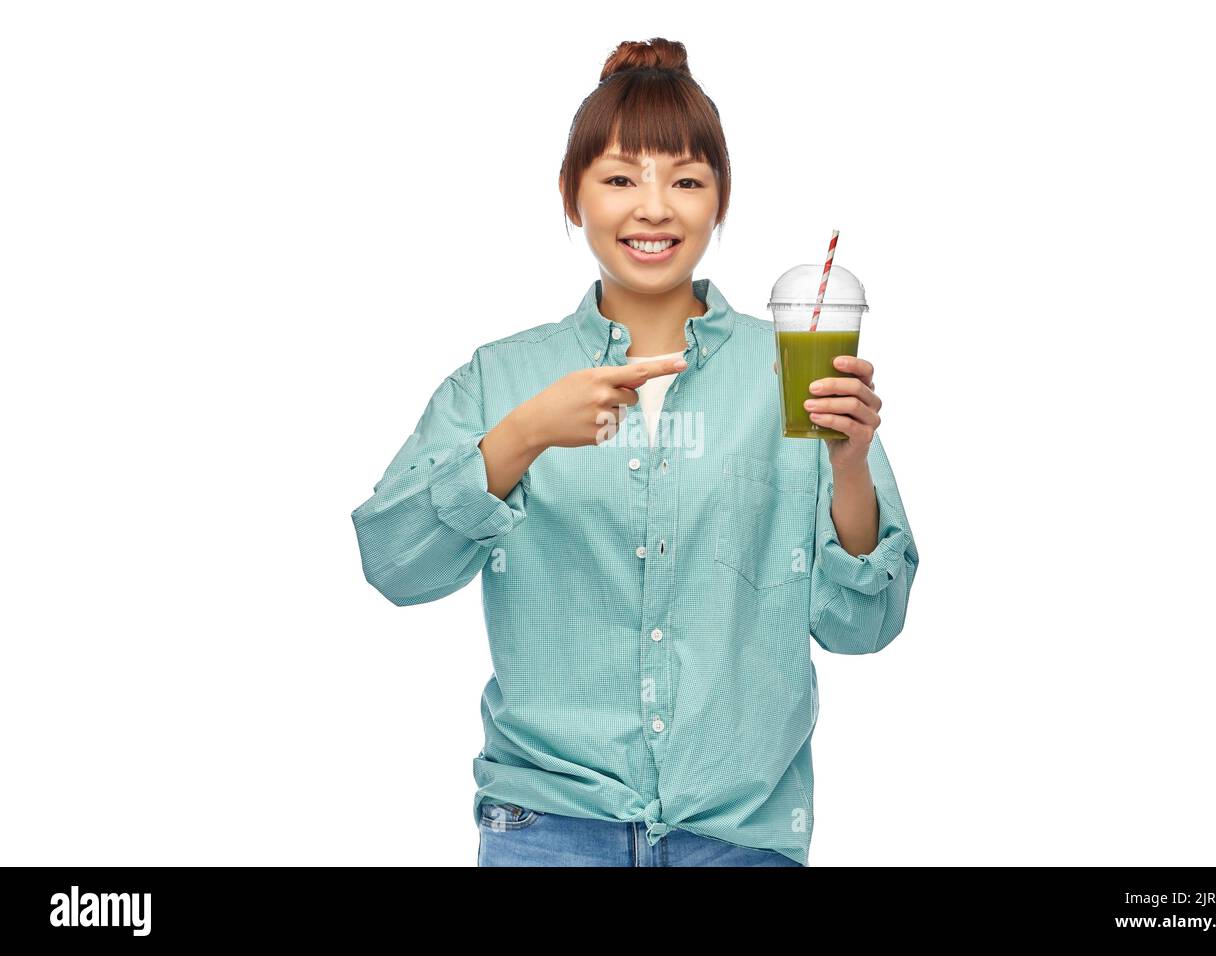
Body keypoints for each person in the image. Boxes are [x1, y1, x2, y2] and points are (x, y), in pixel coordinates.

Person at [350, 37, 919, 867]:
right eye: (620, 179)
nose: (653, 209)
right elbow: (393, 563)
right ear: (570, 196)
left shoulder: (792, 372)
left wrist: (848, 465)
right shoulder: (500, 377)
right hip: (546, 825)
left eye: (686, 180)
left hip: (740, 835)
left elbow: (863, 625)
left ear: (721, 200)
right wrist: (525, 432)